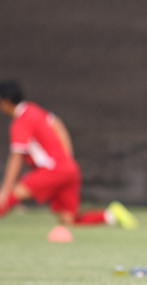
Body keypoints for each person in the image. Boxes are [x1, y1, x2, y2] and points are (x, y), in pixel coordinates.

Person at [0, 80, 138, 237]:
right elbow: (57, 123)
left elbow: (16, 157)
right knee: (69, 220)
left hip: (52, 171)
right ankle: (111, 216)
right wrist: (66, 158)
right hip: (69, 168)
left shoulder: (20, 122)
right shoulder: (34, 110)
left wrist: (5, 189)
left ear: (6, 101)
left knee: (12, 195)